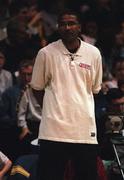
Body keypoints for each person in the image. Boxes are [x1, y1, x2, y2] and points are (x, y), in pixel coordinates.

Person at [30, 9, 103, 180]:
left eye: (71, 23)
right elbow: (37, 88)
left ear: (79, 27)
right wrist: (52, 110)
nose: (67, 27)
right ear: (58, 27)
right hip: (53, 131)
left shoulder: (94, 53)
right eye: (63, 24)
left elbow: (95, 90)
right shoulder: (45, 53)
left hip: (84, 130)